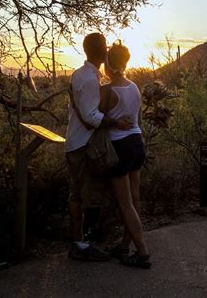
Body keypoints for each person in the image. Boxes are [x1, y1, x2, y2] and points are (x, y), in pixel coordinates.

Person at [65, 33, 132, 261]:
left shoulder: (79, 74)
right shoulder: (91, 79)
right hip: (84, 144)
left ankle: (77, 242)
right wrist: (116, 121)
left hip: (73, 142)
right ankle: (87, 244)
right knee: (90, 195)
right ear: (103, 51)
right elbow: (90, 117)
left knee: (76, 194)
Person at [100, 41, 151, 269]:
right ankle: (124, 245)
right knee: (135, 198)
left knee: (125, 204)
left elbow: (95, 118)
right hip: (137, 143)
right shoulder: (134, 87)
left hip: (120, 147)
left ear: (108, 65)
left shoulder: (107, 90)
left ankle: (142, 253)